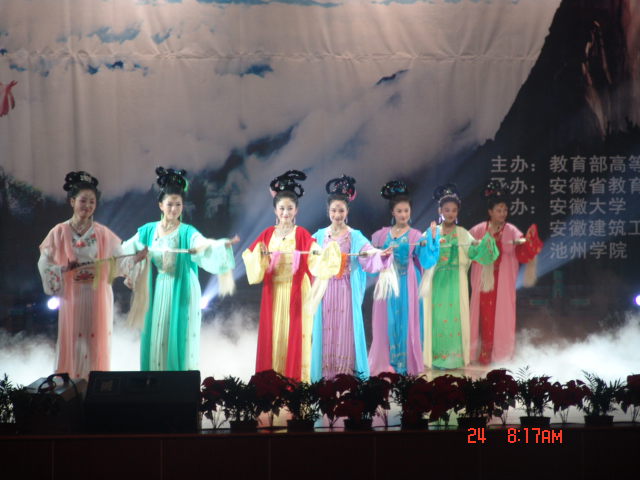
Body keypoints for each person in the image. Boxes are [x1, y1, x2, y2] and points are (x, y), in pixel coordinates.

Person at [122, 167, 237, 371]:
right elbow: (124, 251)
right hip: (161, 286)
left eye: (178, 204)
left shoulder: (187, 231)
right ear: (160, 205)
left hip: (183, 287)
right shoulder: (148, 231)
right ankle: (158, 377)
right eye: (169, 204)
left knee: (180, 333)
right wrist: (115, 257)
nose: (174, 209)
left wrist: (219, 245)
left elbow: (202, 243)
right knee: (158, 333)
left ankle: (179, 379)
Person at [38, 171, 144, 379]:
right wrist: (62, 269)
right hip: (72, 297)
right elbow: (45, 262)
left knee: (95, 343)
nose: (87, 206)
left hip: (98, 297)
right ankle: (71, 389)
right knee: (73, 343)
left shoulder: (102, 233)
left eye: (92, 202)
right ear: (72, 201)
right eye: (83, 201)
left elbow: (120, 261)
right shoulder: (58, 232)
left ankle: (94, 388)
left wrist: (135, 260)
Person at [309, 175, 393, 382]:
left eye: (341, 210)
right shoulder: (319, 236)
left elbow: (368, 252)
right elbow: (306, 256)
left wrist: (380, 254)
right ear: (328, 212)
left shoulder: (354, 236)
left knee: (346, 330)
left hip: (346, 290)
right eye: (334, 210)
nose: (337, 215)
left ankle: (346, 375)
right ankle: (325, 375)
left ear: (347, 211)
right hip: (326, 290)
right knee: (326, 329)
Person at [242, 170, 321, 382]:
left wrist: (323, 255)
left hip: (297, 291)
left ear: (296, 210)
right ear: (275, 210)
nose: (286, 213)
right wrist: (260, 255)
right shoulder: (268, 234)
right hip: (274, 291)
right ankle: (273, 384)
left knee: (294, 337)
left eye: (290, 208)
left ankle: (295, 385)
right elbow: (249, 255)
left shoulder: (301, 233)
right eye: (282, 208)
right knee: (275, 336)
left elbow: (315, 254)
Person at [420, 184, 498, 370]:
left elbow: (474, 252)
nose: (450, 213)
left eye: (454, 210)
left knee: (455, 321)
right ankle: (436, 358)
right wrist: (429, 240)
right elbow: (423, 256)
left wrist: (485, 241)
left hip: (456, 282)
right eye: (446, 210)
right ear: (440, 211)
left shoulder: (462, 233)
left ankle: (453, 359)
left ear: (458, 212)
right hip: (437, 283)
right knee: (437, 320)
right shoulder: (431, 231)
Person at [368, 181, 440, 376]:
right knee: (389, 322)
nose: (403, 215)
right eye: (399, 211)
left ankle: (405, 364)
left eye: (406, 211)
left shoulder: (416, 235)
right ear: (392, 212)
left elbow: (427, 260)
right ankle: (388, 362)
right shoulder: (381, 235)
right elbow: (371, 258)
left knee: (406, 321)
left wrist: (432, 239)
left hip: (408, 280)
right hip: (387, 283)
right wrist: (376, 253)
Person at [469, 181, 543, 365]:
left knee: (503, 318)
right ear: (490, 212)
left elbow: (523, 252)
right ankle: (483, 353)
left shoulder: (511, 231)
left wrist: (528, 242)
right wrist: (476, 246)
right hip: (484, 283)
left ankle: (501, 355)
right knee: (484, 318)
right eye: (499, 210)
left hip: (502, 283)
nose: (503, 214)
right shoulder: (478, 230)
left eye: (505, 210)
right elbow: (466, 249)